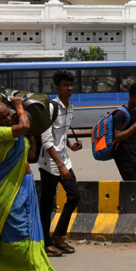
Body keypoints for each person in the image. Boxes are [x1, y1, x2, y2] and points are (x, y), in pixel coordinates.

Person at [0, 94, 58, 271]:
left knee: (11, 231)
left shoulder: (17, 134)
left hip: (23, 187)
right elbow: (22, 126)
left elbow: (31, 155)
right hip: (6, 191)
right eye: (4, 117)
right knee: (20, 231)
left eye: (10, 114)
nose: (9, 118)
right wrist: (19, 105)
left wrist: (31, 130)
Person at [38, 70, 82, 258]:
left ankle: (58, 236)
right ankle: (44, 243)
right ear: (57, 87)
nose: (70, 88)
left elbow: (60, 137)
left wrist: (71, 146)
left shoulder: (70, 106)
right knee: (47, 204)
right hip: (49, 163)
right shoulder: (50, 108)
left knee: (74, 196)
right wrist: (60, 166)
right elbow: (47, 140)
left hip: (64, 159)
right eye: (66, 85)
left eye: (71, 85)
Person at [112, 82, 136, 181]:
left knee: (133, 186)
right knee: (131, 187)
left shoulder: (135, 112)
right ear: (130, 96)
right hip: (123, 157)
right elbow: (118, 137)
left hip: (132, 156)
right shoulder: (120, 114)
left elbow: (134, 135)